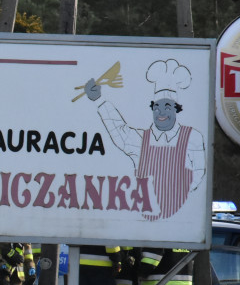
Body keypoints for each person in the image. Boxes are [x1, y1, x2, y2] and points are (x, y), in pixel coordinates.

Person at [85, 59, 206, 221]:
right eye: (157, 107)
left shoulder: (192, 137)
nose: (161, 112)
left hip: (180, 218)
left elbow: (199, 172)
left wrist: (176, 191)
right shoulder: (141, 140)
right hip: (144, 218)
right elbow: (119, 131)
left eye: (167, 107)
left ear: (176, 109)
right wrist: (99, 100)